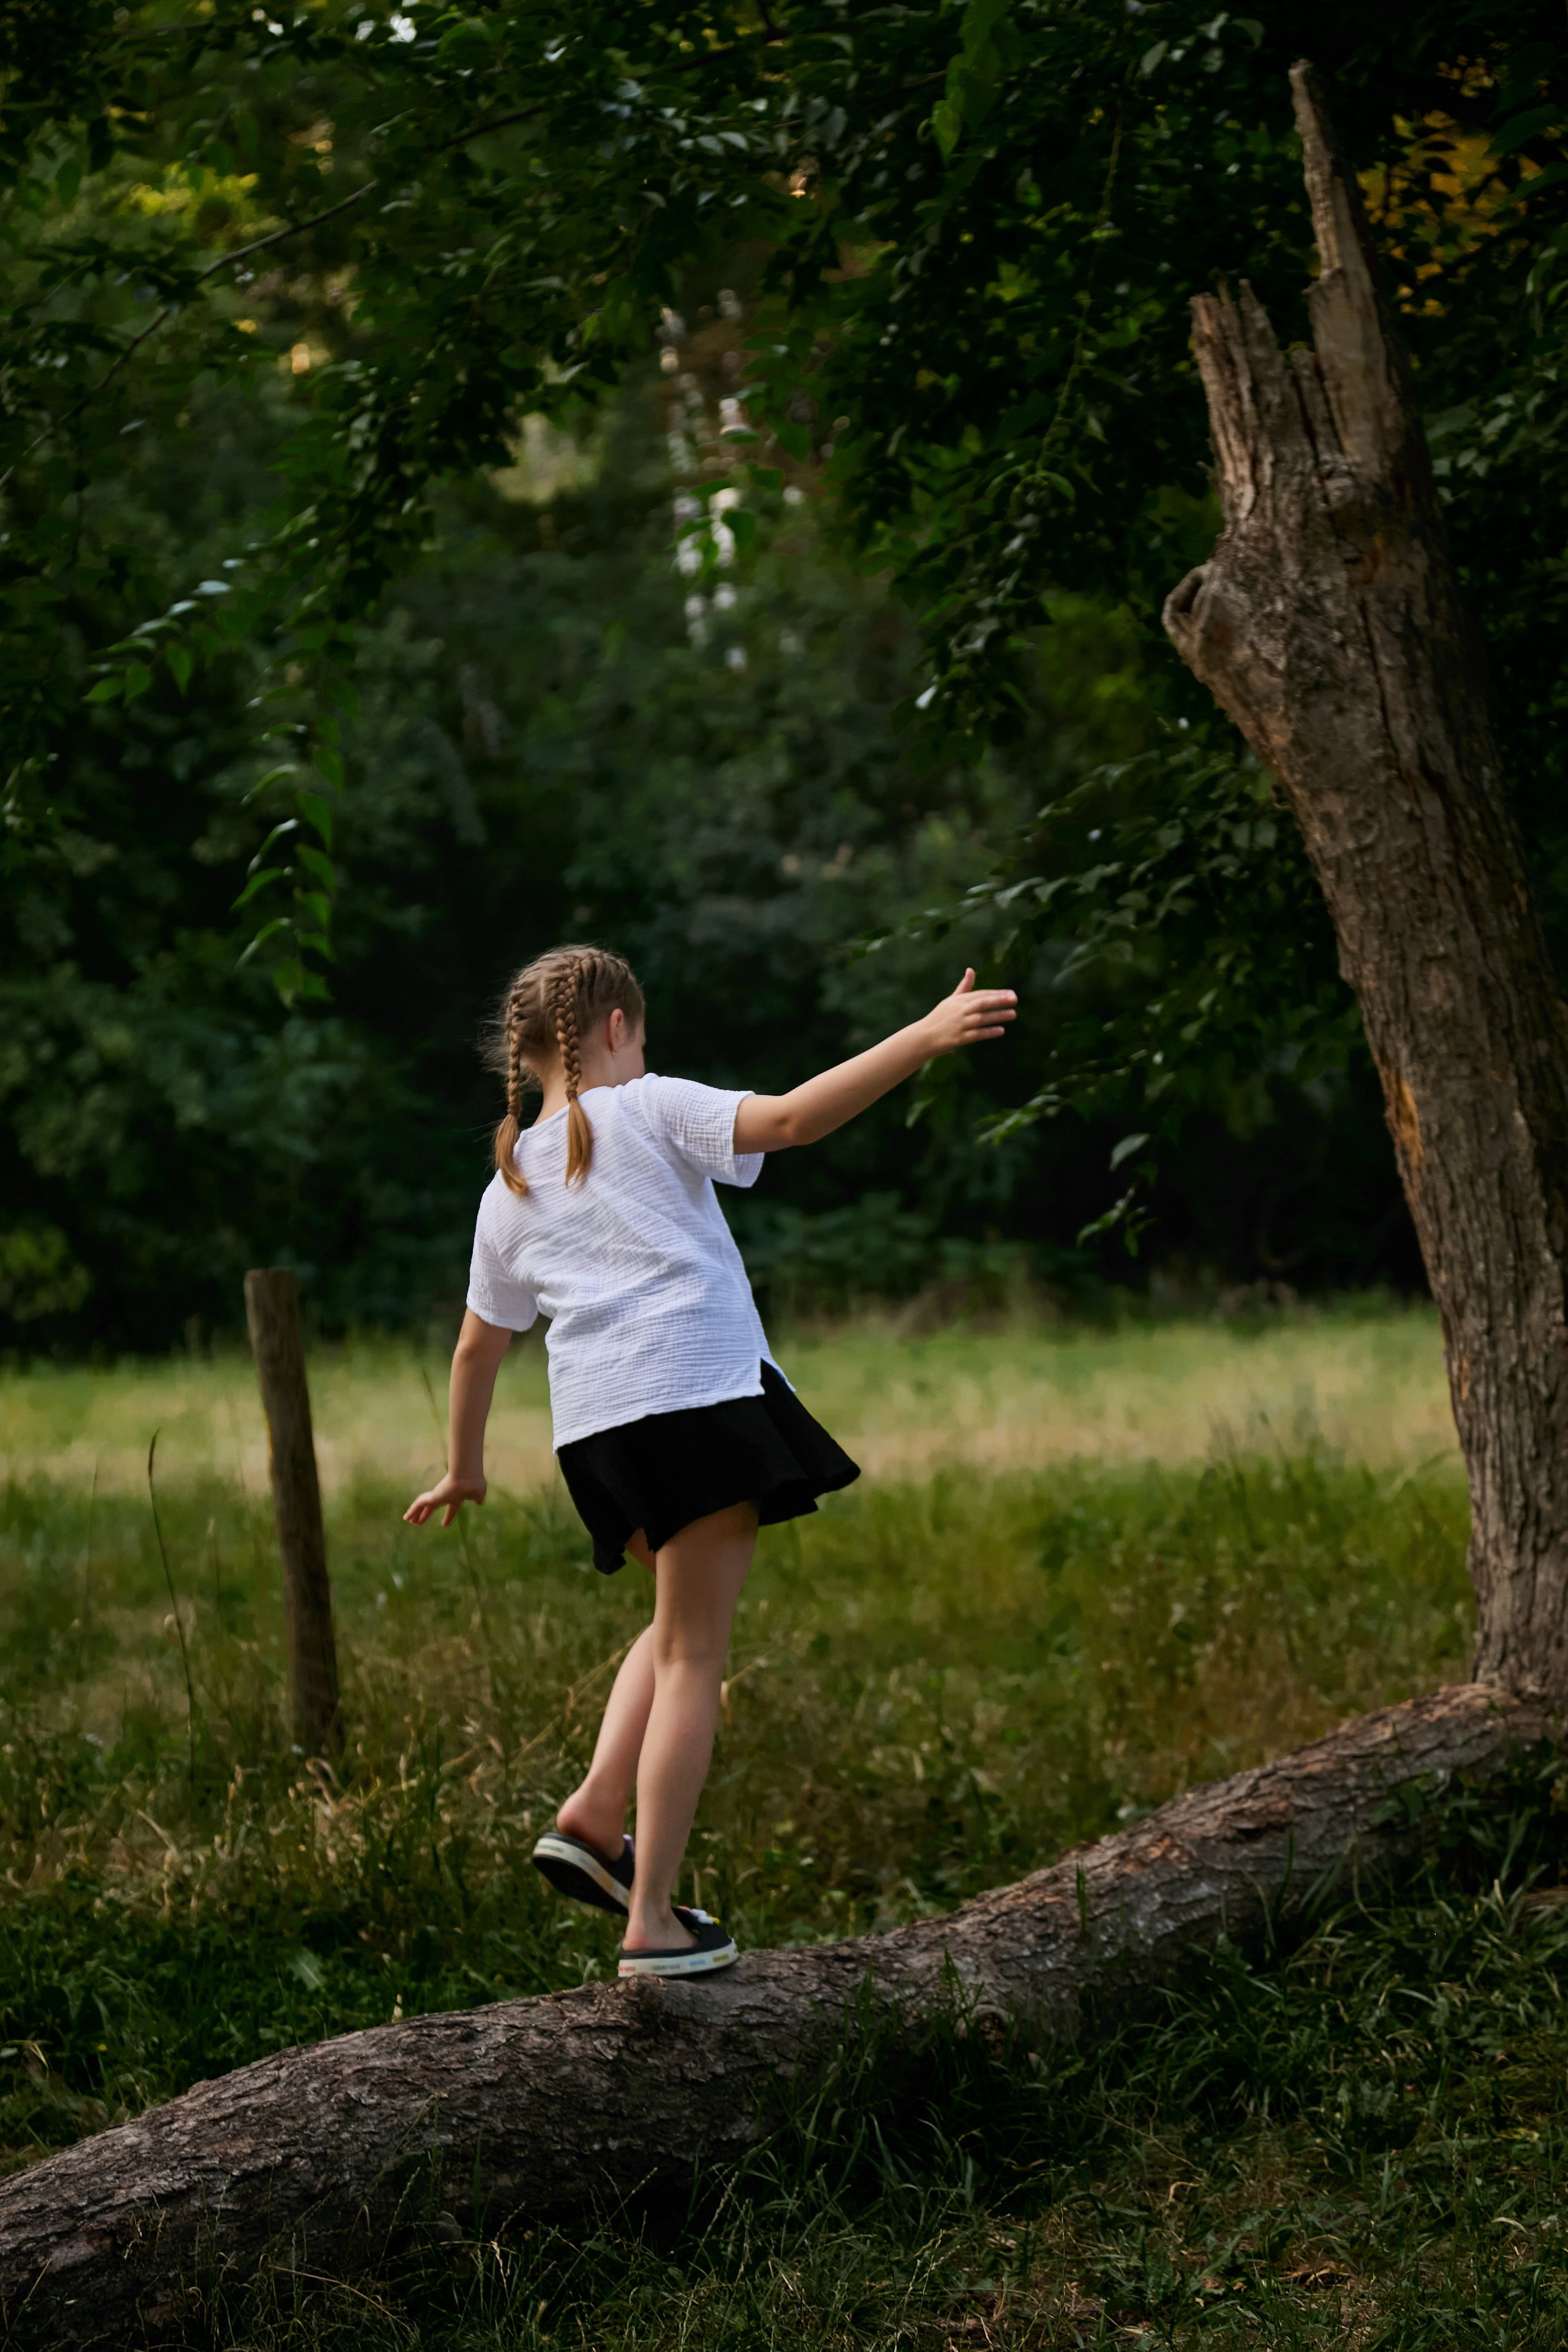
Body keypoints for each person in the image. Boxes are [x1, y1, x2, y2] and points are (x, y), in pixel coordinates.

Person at [405, 944, 1016, 1979]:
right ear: (613, 1032)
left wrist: (464, 1466)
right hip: (692, 1400)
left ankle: (597, 1816)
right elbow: (789, 1120)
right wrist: (920, 1039)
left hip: (596, 1436)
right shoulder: (648, 1108)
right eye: (640, 1039)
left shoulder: (507, 1188)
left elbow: (477, 1346)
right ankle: (650, 1920)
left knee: (673, 1627)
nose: (644, 1056)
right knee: (696, 1658)